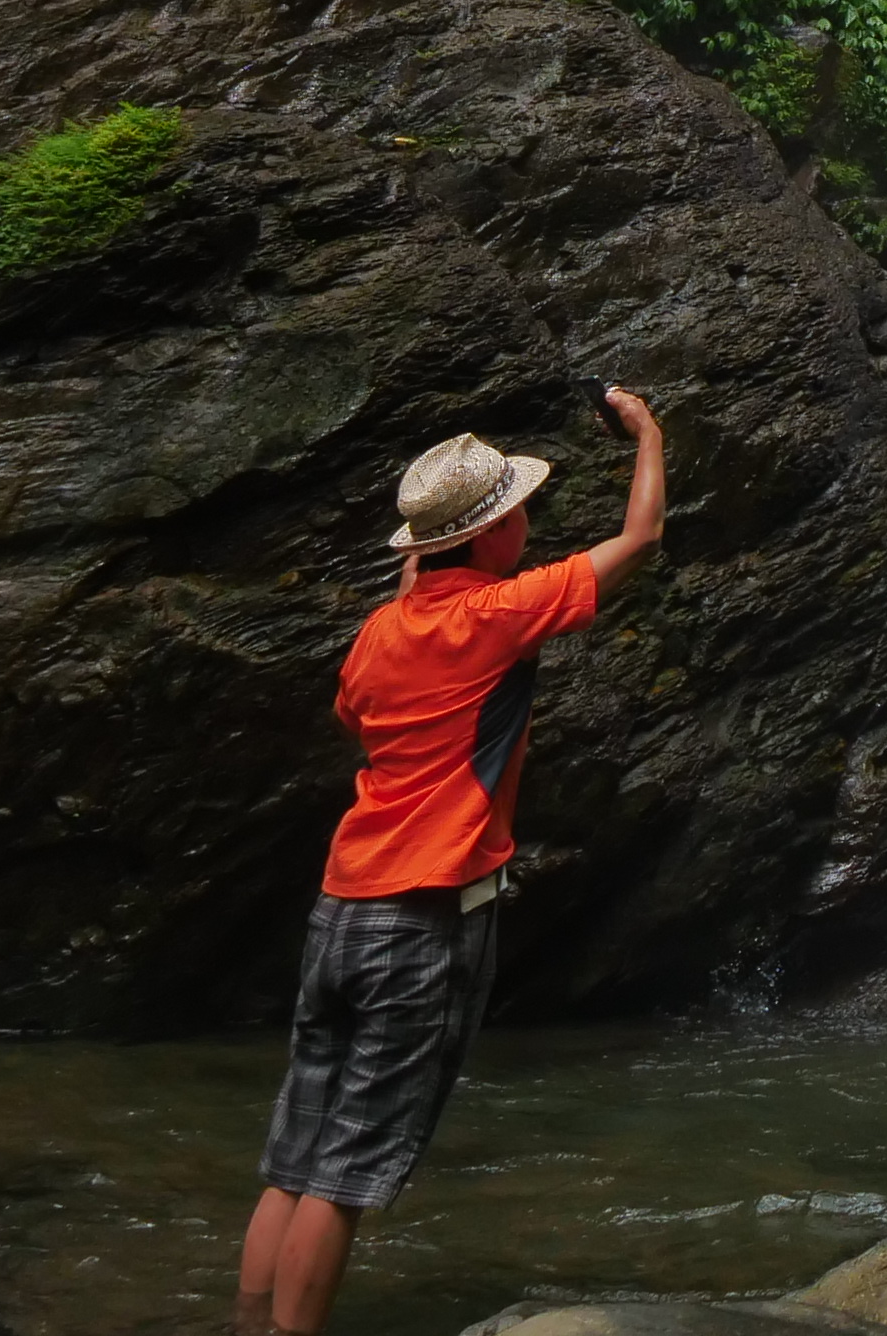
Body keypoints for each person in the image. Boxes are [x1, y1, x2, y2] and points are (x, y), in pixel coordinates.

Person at [235, 388, 668, 1336]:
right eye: (518, 514)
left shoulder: (381, 634)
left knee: (295, 1156)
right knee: (343, 1174)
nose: (528, 525)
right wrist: (648, 435)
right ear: (489, 535)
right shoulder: (499, 612)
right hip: (422, 919)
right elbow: (639, 538)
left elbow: (355, 717)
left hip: (340, 908)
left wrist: (416, 575)